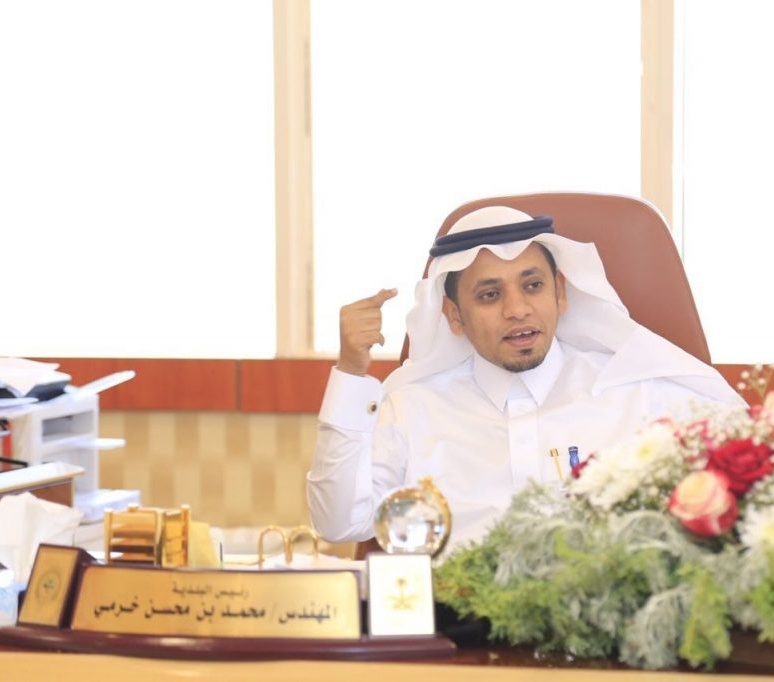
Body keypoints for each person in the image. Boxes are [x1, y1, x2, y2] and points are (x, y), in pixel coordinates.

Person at [307, 205, 744, 552]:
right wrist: (351, 373)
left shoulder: (636, 392)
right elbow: (338, 523)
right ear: (454, 316)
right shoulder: (412, 409)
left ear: (560, 293)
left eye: (532, 286)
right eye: (490, 295)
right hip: (457, 629)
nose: (517, 309)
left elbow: (753, 463)